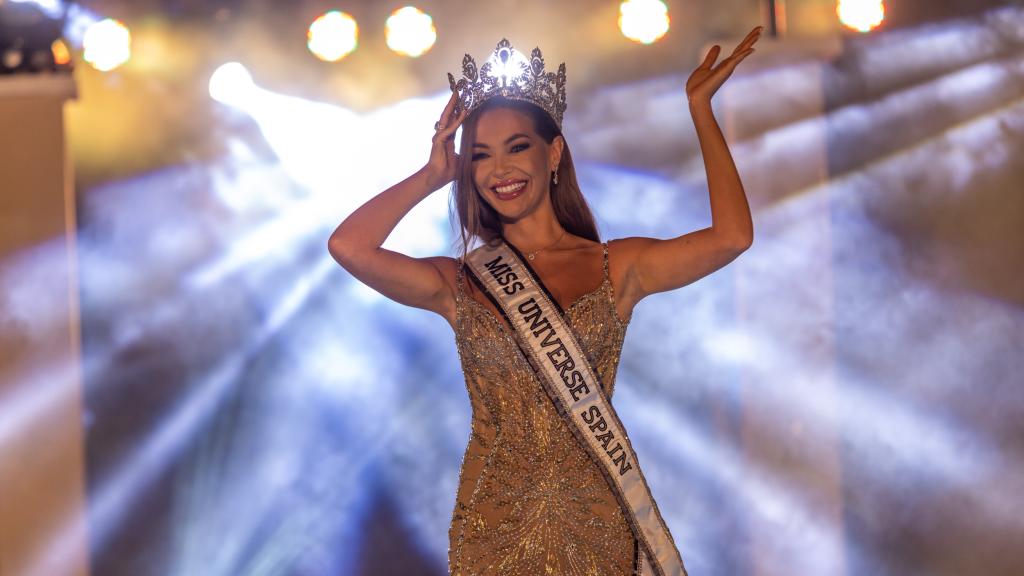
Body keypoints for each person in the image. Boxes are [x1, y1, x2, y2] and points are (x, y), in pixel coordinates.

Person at [328, 28, 762, 576]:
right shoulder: (460, 282)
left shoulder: (615, 267)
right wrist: (434, 173)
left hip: (595, 521)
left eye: (517, 147)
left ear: (553, 151)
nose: (499, 169)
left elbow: (732, 237)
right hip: (494, 527)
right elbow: (347, 246)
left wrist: (701, 109)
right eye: (480, 156)